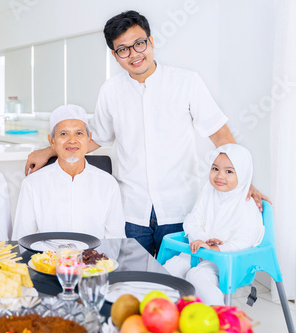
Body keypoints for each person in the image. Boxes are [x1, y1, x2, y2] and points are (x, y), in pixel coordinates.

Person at [25, 10, 269, 256]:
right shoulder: (111, 90)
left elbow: (220, 135)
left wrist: (244, 181)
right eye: (123, 49)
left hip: (179, 207)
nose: (133, 54)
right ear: (115, 55)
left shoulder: (186, 82)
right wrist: (49, 150)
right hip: (131, 209)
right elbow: (96, 138)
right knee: (130, 279)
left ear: (151, 42)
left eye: (139, 44)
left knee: (177, 280)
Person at [163, 144, 265, 305]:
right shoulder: (208, 193)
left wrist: (216, 249)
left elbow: (246, 240)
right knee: (173, 266)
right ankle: (167, 313)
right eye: (215, 169)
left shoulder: (247, 204)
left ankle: (219, 317)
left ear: (243, 174)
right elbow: (193, 220)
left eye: (229, 171)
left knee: (197, 275)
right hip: (200, 249)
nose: (220, 176)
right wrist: (203, 240)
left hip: (225, 259)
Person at [12, 105, 125, 240]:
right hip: (48, 260)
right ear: (51, 141)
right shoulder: (32, 184)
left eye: (79, 133)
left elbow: (116, 240)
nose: (72, 140)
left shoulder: (108, 184)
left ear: (89, 138)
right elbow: (22, 239)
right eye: (63, 134)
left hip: (95, 259)